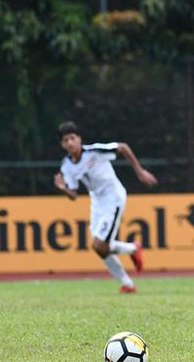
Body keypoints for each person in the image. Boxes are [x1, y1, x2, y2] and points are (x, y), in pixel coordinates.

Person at [53, 121, 157, 293]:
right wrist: (63, 188)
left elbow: (123, 147)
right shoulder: (67, 166)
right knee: (99, 247)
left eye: (72, 138)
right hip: (97, 202)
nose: (70, 143)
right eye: (65, 140)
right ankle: (130, 262)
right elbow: (74, 195)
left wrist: (140, 172)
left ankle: (129, 276)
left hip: (114, 198)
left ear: (79, 139)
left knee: (99, 244)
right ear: (62, 144)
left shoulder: (94, 151)